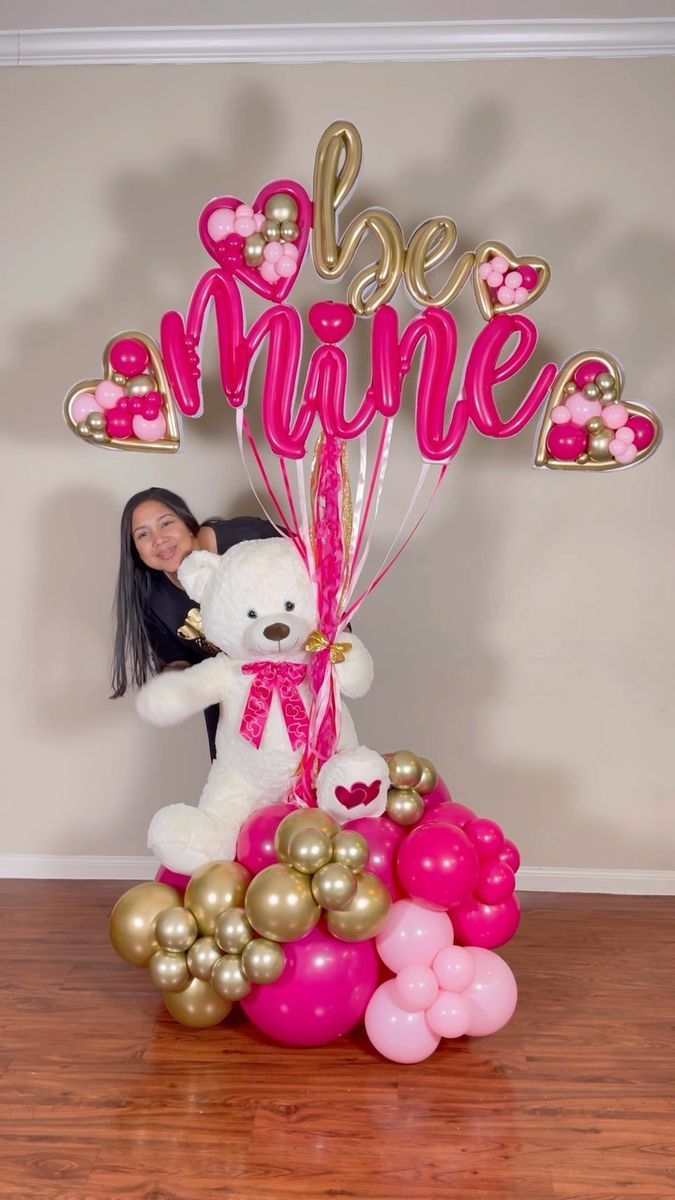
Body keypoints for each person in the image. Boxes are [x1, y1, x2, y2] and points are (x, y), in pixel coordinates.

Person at [111, 486, 278, 759]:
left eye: (166, 523)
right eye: (143, 534)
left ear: (188, 523)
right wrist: (174, 688)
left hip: (296, 686)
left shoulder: (245, 539)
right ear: (136, 550)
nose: (159, 539)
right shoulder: (155, 600)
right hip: (233, 711)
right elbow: (179, 662)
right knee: (241, 794)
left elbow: (314, 568)